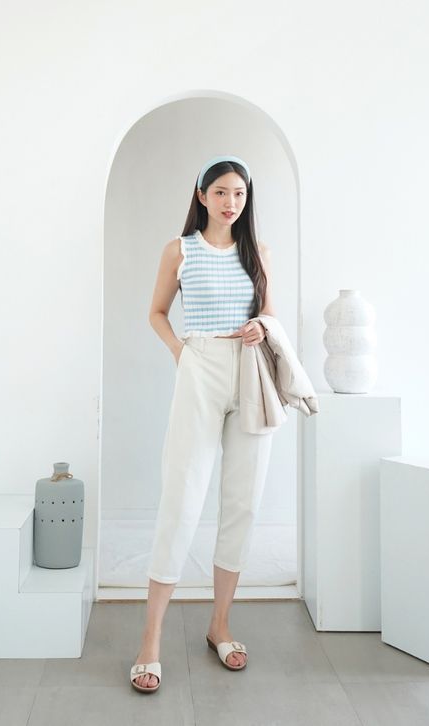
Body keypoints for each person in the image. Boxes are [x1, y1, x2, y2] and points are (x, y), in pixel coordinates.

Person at [130, 155, 276, 693]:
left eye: (239, 193)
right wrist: (180, 352)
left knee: (243, 501)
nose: (230, 202)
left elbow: (270, 313)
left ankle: (220, 626)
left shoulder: (257, 251)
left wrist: (262, 327)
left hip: (251, 372)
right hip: (201, 367)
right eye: (220, 192)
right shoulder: (180, 249)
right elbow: (156, 312)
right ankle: (150, 642)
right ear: (201, 195)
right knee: (182, 495)